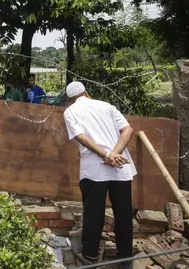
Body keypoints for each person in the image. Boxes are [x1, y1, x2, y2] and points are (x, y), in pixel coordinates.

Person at [62, 81, 135, 269]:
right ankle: (125, 260)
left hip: (94, 171)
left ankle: (90, 258)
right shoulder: (107, 106)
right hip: (121, 169)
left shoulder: (70, 112)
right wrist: (115, 153)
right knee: (124, 215)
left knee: (94, 216)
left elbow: (81, 137)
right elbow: (128, 130)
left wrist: (107, 155)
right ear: (86, 93)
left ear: (70, 99)